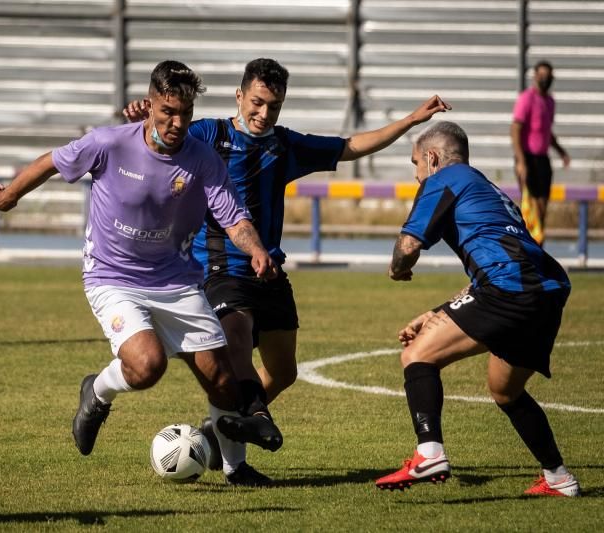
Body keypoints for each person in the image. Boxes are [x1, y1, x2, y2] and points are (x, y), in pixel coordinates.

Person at [123, 58, 451, 485]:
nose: (263, 114)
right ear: (239, 96)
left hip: (269, 272)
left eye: (273, 107)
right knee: (236, 344)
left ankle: (223, 425)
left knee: (283, 371)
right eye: (257, 103)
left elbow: (349, 146)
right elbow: (164, 134)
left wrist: (411, 120)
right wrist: (138, 116)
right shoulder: (208, 135)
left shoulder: (284, 146)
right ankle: (246, 438)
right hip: (220, 269)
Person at [0, 60, 285, 475]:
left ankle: (236, 469)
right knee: (147, 366)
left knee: (221, 379)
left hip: (177, 280)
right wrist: (10, 196)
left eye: (185, 113)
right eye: (168, 111)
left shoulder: (202, 160)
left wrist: (255, 250)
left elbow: (234, 218)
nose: (177, 122)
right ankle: (97, 391)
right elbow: (53, 161)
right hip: (113, 277)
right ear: (149, 106)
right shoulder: (110, 143)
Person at [375, 121, 579, 497]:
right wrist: (436, 311)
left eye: (416, 163)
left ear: (432, 158)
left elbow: (407, 247)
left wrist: (397, 270)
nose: (417, 173)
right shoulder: (486, 188)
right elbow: (506, 261)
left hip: (511, 289)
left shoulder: (442, 180)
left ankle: (429, 452)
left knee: (417, 356)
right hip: (547, 290)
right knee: (506, 390)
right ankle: (559, 478)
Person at [510, 60, 570, 246]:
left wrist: (561, 152)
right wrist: (521, 161)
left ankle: (538, 248)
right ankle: (527, 249)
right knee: (531, 208)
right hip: (527, 158)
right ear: (535, 76)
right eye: (541, 75)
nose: (545, 79)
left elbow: (546, 132)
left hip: (542, 159)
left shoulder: (550, 101)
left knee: (543, 209)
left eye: (548, 76)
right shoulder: (526, 99)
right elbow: (515, 129)